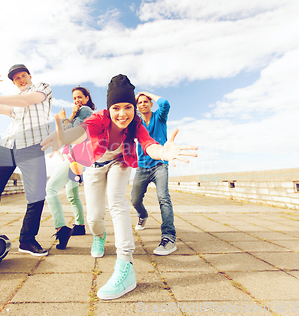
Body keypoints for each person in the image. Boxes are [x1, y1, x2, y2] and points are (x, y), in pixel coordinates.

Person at [41, 74, 197, 300]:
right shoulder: (98, 118)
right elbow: (81, 132)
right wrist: (65, 136)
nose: (122, 113)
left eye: (128, 107)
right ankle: (100, 236)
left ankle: (125, 265)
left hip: (120, 163)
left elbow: (149, 144)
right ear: (109, 108)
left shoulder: (135, 123)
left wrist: (163, 152)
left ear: (133, 107)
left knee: (116, 202)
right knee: (94, 217)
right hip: (95, 165)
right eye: (116, 108)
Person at [0, 64, 52, 257]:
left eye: (23, 76)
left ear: (29, 76)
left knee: (36, 196)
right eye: (16, 79)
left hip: (32, 146)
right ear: (14, 82)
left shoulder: (42, 88)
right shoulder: (14, 104)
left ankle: (27, 240)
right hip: (8, 146)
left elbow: (26, 100)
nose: (21, 80)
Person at [46, 87, 96, 249]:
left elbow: (71, 133)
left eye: (80, 97)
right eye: (74, 98)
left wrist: (65, 119)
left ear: (87, 98)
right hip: (76, 157)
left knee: (50, 189)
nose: (77, 101)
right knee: (72, 194)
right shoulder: (81, 111)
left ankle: (61, 228)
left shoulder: (85, 110)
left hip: (76, 157)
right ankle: (80, 225)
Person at [131, 91, 177, 255]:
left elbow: (165, 103)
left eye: (145, 101)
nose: (142, 104)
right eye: (140, 102)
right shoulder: (136, 122)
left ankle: (169, 237)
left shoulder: (160, 117)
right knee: (135, 199)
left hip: (160, 164)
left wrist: (146, 93)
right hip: (142, 166)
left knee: (163, 197)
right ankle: (142, 215)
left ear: (150, 104)